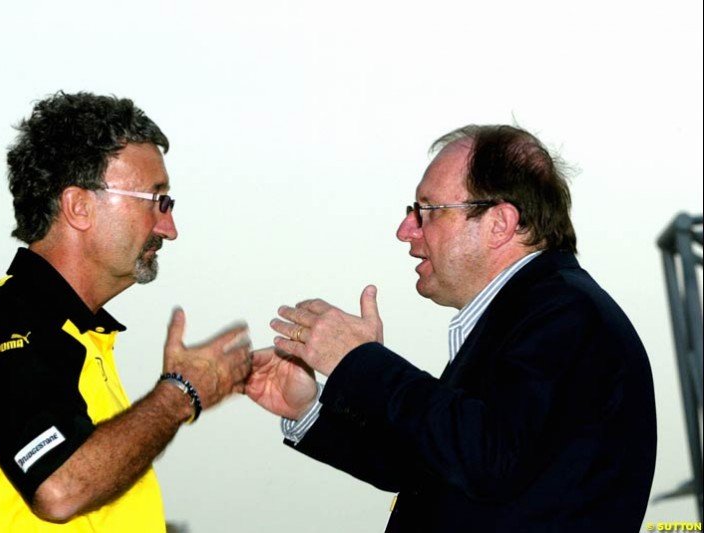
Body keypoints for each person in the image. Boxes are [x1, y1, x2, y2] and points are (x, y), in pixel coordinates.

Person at [246, 124, 657, 531]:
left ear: (500, 223)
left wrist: (361, 362)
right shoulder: (534, 311)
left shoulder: (566, 314)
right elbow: (432, 463)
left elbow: (487, 460)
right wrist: (308, 408)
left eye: (426, 211)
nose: (405, 230)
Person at [0, 91, 252, 533]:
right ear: (79, 206)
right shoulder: (11, 325)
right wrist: (179, 394)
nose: (169, 228)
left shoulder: (70, 334)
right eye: (156, 200)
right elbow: (60, 486)